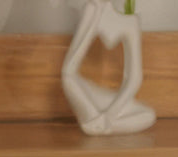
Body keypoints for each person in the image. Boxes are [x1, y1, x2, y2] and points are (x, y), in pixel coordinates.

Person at [62, 0, 156, 135]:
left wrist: (110, 115)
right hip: (86, 93)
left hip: (108, 107)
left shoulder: (130, 22)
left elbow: (133, 78)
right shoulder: (91, 11)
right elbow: (68, 73)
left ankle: (97, 124)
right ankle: (96, 122)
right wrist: (93, 16)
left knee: (148, 115)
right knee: (69, 81)